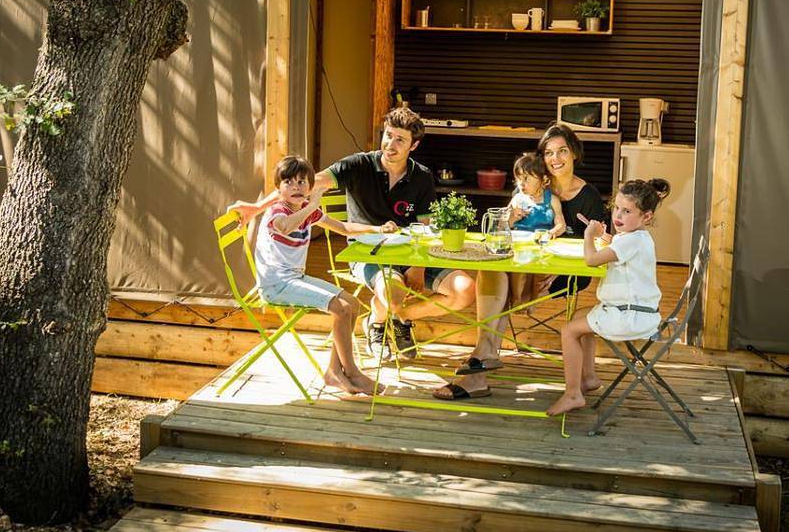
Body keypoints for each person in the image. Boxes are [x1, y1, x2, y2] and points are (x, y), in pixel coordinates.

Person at [230, 107, 476, 362]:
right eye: (388, 135)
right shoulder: (358, 165)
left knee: (466, 290)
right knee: (393, 294)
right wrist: (257, 208)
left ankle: (401, 318)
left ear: (413, 146)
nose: (390, 144)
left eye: (399, 140)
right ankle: (379, 323)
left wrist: (419, 266)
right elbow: (301, 185)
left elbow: (427, 227)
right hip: (369, 254)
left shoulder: (422, 177)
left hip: (413, 255)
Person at [434, 123, 608, 400]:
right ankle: (484, 357)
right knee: (494, 270)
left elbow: (602, 245)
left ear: (574, 153)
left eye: (562, 151)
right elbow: (499, 232)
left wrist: (560, 267)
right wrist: (508, 216)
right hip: (520, 266)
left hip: (562, 275)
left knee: (499, 284)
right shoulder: (529, 193)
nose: (556, 159)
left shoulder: (589, 197)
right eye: (549, 153)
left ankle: (480, 363)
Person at [254, 155, 396, 395]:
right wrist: (311, 206)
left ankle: (333, 371)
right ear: (278, 188)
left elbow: (343, 227)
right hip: (276, 283)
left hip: (294, 278)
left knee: (352, 304)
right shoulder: (279, 210)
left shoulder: (306, 211)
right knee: (340, 308)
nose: (296, 188)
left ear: (310, 186)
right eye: (288, 182)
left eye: (302, 182)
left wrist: (378, 228)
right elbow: (285, 226)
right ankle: (352, 372)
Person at [546, 178, 671, 416]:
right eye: (616, 208)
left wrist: (588, 235)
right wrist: (607, 240)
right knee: (581, 316)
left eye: (627, 211)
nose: (619, 215)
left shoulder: (632, 240)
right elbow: (620, 249)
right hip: (638, 311)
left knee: (568, 330)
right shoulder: (635, 238)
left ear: (647, 217)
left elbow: (592, 260)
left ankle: (572, 394)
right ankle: (589, 378)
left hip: (628, 316)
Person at [507, 152, 566, 309]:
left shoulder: (551, 200)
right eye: (518, 179)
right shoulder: (517, 199)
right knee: (519, 268)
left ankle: (532, 301)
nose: (521, 184)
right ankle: (518, 300)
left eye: (526, 178)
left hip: (541, 245)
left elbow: (561, 224)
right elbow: (503, 225)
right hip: (519, 245)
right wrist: (513, 217)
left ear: (544, 179)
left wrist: (553, 232)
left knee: (540, 271)